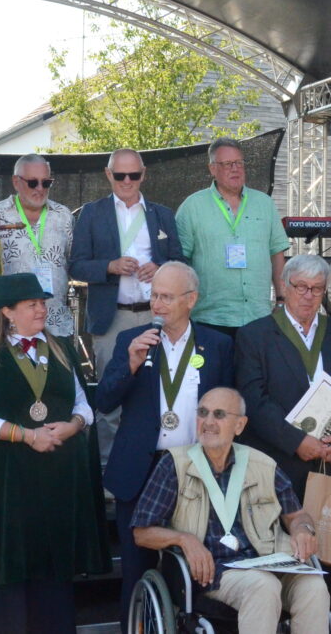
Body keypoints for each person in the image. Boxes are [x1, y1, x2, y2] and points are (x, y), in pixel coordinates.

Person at [0, 273, 109, 633]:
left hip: (56, 479)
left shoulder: (60, 347)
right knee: (11, 569)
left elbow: (84, 404)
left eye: (42, 303)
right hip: (8, 481)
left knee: (52, 573)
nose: (41, 309)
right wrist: (26, 436)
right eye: (32, 304)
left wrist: (72, 426)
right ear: (7, 311)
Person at [235, 254, 331, 630]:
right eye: (300, 287)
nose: (308, 296)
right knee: (280, 558)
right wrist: (297, 441)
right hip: (282, 466)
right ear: (284, 288)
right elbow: (253, 399)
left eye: (317, 289)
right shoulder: (254, 335)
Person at [95, 261, 232, 631]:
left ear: (191, 300)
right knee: (136, 572)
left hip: (195, 470)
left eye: (167, 297)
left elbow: (231, 410)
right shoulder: (131, 340)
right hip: (140, 471)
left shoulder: (218, 345)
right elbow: (104, 401)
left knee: (195, 567)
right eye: (154, 295)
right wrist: (130, 365)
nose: (157, 304)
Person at [132, 387, 329, 634]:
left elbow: (297, 516)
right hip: (215, 572)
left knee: (314, 585)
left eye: (219, 414)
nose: (209, 422)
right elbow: (141, 532)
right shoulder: (175, 465)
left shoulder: (262, 464)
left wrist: (303, 530)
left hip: (268, 561)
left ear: (239, 425)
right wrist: (184, 539)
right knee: (263, 586)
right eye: (203, 413)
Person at [70, 148, 184, 466]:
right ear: (108, 175)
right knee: (110, 400)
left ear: (143, 174)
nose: (127, 181)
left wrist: (158, 267)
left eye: (133, 175)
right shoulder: (92, 213)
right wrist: (110, 266)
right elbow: (76, 266)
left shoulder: (162, 214)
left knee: (162, 394)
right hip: (113, 318)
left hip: (156, 316)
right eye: (120, 175)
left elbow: (180, 261)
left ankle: (160, 473)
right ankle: (110, 480)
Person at [175, 137, 290, 338]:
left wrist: (281, 299)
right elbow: (179, 262)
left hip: (258, 315)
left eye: (239, 163)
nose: (235, 169)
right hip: (210, 318)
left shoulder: (264, 203)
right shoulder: (192, 207)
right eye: (227, 164)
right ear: (212, 169)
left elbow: (276, 253)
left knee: (255, 370)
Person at [0, 154, 75, 337]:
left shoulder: (64, 216)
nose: (40, 189)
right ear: (16, 182)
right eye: (32, 182)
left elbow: (73, 261)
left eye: (46, 183)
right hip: (12, 329)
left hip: (56, 325)